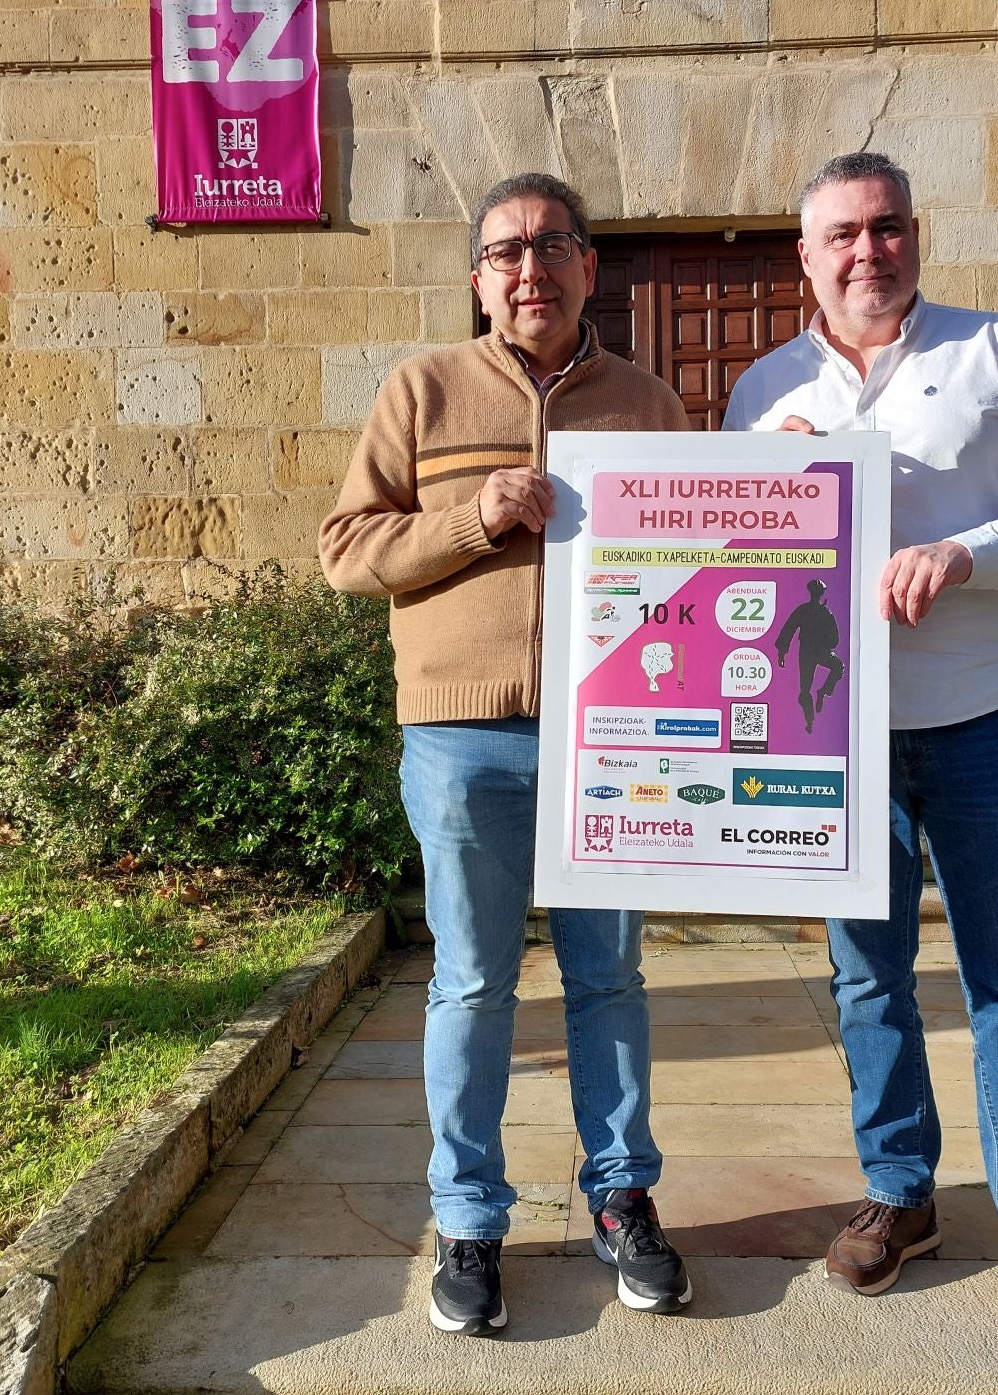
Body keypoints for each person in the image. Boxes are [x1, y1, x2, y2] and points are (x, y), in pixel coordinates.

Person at [721, 151, 998, 1365]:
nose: (867, 252)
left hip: (984, 713)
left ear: (916, 234)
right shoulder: (764, 388)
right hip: (831, 735)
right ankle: (900, 1192)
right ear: (806, 256)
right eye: (841, 234)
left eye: (887, 227)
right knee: (867, 982)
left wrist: (968, 552)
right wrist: (766, 477)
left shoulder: (995, 350)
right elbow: (728, 568)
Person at [319, 172, 694, 1337]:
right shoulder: (421, 391)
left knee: (609, 979)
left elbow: (706, 560)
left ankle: (622, 1197)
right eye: (505, 252)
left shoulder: (649, 403)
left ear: (591, 266)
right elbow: (346, 550)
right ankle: (470, 1218)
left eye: (553, 246)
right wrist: (476, 517)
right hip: (461, 734)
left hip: (616, 736)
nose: (529, 269)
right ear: (478, 278)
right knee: (473, 982)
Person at [774, 577, 846, 732]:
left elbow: (789, 629)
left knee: (806, 689)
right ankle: (814, 713)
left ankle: (811, 718)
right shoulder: (825, 613)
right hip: (814, 651)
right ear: (821, 593)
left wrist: (782, 652)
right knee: (837, 666)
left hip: (809, 651)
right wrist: (781, 651)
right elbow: (834, 639)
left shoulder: (808, 611)